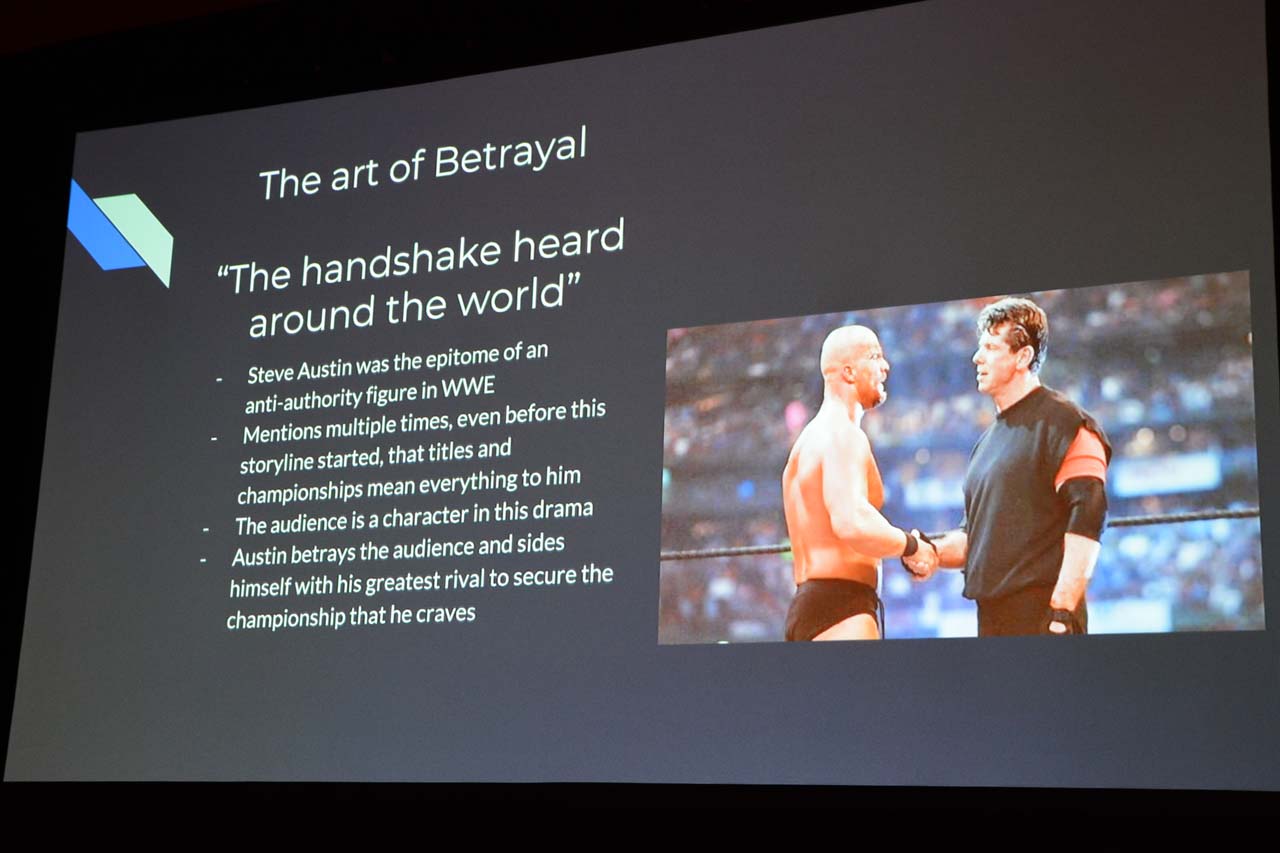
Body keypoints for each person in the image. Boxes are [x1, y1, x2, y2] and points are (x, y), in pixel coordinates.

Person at [906, 297, 1110, 636]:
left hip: (1044, 614)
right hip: (991, 619)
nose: (977, 357)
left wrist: (1062, 609)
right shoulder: (986, 444)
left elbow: (1089, 514)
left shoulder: (1065, 422)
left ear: (1023, 356)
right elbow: (974, 537)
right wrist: (932, 551)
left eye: (990, 347)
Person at [782, 325, 937, 641]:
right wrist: (910, 545)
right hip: (842, 610)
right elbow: (851, 521)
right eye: (875, 356)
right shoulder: (843, 433)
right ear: (849, 372)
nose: (886, 366)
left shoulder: (807, 442)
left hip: (810, 605)